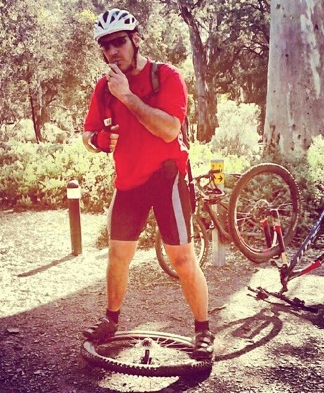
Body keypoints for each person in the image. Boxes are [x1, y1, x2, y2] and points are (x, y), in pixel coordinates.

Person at [81, 8, 213, 360]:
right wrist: (97, 140)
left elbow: (169, 129)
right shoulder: (104, 88)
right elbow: (87, 132)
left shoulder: (166, 77)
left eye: (119, 42)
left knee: (183, 259)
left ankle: (202, 331)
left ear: (136, 39)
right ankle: (111, 320)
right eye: (105, 46)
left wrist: (127, 96)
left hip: (167, 176)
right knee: (117, 257)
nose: (113, 52)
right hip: (128, 182)